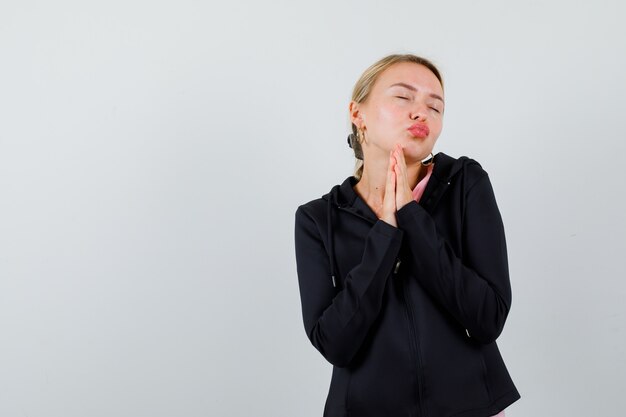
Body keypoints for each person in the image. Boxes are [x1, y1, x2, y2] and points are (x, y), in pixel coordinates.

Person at [294, 54, 520, 417]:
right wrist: (385, 234)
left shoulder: (465, 183)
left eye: (436, 106)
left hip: (471, 407)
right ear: (358, 114)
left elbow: (487, 319)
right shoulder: (318, 218)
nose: (422, 113)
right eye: (403, 97)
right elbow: (335, 344)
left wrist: (411, 217)